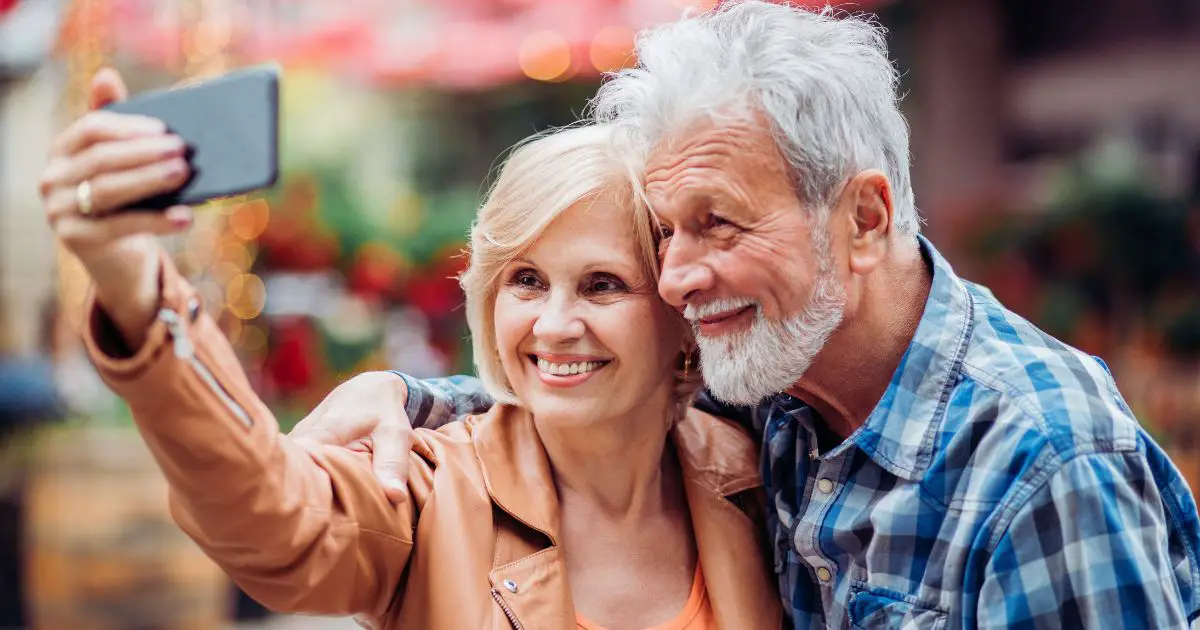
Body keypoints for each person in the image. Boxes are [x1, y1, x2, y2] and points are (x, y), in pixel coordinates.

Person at [294, 2, 1200, 628]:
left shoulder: (1045, 466)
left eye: (716, 224)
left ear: (863, 219)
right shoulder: (777, 376)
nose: (678, 277)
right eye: (665, 233)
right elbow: (613, 396)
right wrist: (406, 398)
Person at [38, 71, 781, 629]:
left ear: (680, 308)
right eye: (526, 280)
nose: (554, 324)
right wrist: (137, 292)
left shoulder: (761, 472)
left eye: (602, 285)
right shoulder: (427, 487)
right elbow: (264, 514)